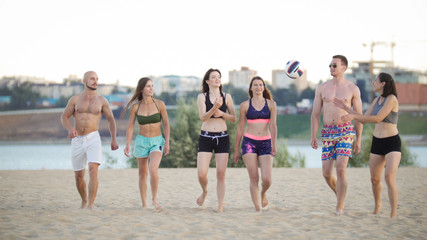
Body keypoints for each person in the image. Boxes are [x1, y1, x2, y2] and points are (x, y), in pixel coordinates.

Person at [334, 72, 401, 218]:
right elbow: (363, 119)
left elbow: (377, 118)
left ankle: (393, 213)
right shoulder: (376, 100)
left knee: (389, 177)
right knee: (374, 179)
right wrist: (346, 108)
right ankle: (378, 205)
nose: (373, 82)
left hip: (392, 142)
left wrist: (353, 116)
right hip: (377, 142)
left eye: (375, 80)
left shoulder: (391, 99)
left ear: (383, 83)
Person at [310, 55, 363, 216]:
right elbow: (315, 114)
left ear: (343, 68)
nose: (331, 68)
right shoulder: (322, 88)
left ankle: (339, 207)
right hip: (327, 132)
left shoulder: (353, 89)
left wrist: (359, 139)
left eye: (334, 65)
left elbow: (359, 115)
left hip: (345, 131)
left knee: (341, 168)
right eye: (330, 65)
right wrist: (313, 135)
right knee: (326, 173)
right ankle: (340, 195)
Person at [61, 71, 119, 210]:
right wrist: (70, 129)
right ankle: (84, 200)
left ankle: (91, 205)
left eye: (97, 79)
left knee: (93, 170)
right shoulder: (75, 100)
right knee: (79, 176)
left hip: (93, 138)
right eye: (92, 79)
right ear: (84, 81)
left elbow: (111, 120)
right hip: (77, 140)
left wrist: (114, 139)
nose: (95, 81)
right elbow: (64, 117)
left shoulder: (102, 100)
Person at [120, 77, 170, 210]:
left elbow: (166, 124)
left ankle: (154, 199)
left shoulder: (160, 104)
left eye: (152, 86)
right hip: (141, 141)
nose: (151, 88)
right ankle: (144, 204)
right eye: (148, 86)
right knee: (142, 174)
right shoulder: (135, 107)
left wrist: (167, 142)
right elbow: (130, 126)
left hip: (157, 141)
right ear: (142, 88)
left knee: (153, 169)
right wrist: (126, 144)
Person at [233, 76, 277, 213]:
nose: (258, 87)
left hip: (266, 142)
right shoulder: (245, 105)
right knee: (254, 177)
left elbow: (274, 126)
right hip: (249, 143)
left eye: (261, 85)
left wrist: (274, 145)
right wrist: (235, 150)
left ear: (264, 87)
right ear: (251, 88)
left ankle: (263, 193)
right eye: (255, 85)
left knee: (267, 179)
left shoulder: (271, 104)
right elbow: (240, 128)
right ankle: (258, 208)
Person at [196, 68, 236, 213]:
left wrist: (222, 113)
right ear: (207, 81)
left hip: (222, 137)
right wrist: (214, 108)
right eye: (213, 77)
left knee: (220, 173)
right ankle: (204, 191)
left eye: (218, 77)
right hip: (206, 137)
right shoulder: (201, 97)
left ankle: (220, 206)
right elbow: (203, 117)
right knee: (201, 173)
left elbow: (234, 118)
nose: (217, 79)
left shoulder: (227, 96)